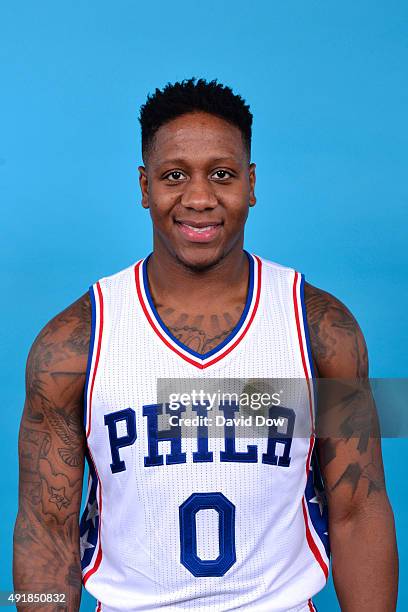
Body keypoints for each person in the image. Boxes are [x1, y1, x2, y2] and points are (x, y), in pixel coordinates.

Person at [13, 78, 398, 611]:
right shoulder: (70, 345)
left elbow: (361, 507)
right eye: (175, 176)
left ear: (252, 183)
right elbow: (44, 527)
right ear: (144, 187)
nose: (199, 197)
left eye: (222, 174)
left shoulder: (323, 329)